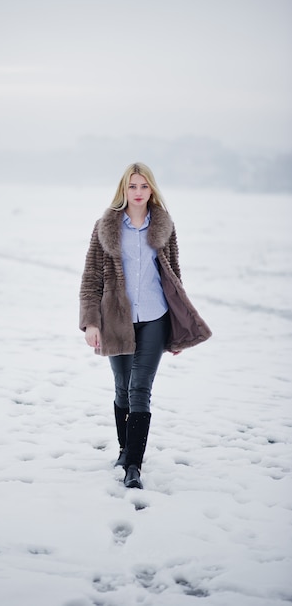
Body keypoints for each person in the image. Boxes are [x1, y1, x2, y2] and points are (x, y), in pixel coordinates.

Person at [79, 162, 211, 489]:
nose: (138, 193)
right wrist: (91, 323)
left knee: (141, 390)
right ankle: (125, 450)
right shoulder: (105, 226)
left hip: (156, 318)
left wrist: (180, 328)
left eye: (144, 186)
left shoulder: (164, 226)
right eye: (132, 187)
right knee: (122, 387)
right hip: (116, 320)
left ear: (152, 189)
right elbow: (91, 279)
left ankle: (133, 466)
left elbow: (174, 277)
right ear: (124, 190)